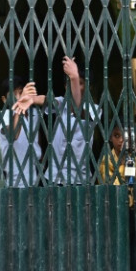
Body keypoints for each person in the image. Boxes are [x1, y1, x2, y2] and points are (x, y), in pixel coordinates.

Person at [32, 56, 101, 185]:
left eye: (80, 83)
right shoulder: (61, 102)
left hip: (79, 178)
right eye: (69, 83)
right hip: (54, 176)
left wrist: (74, 77)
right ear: (65, 86)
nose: (74, 86)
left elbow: (77, 110)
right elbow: (47, 99)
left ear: (88, 87)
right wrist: (32, 99)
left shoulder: (94, 109)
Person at [0, 75, 41, 187]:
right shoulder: (3, 116)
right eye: (13, 94)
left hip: (36, 176)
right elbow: (13, 135)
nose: (18, 98)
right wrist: (20, 107)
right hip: (15, 180)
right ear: (4, 100)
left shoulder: (34, 114)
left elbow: (38, 140)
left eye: (21, 93)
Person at [99, 119, 136, 186]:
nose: (121, 140)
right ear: (110, 138)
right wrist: (123, 166)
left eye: (125, 136)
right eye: (117, 136)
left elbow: (133, 185)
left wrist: (128, 160)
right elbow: (113, 189)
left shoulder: (134, 160)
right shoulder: (106, 162)